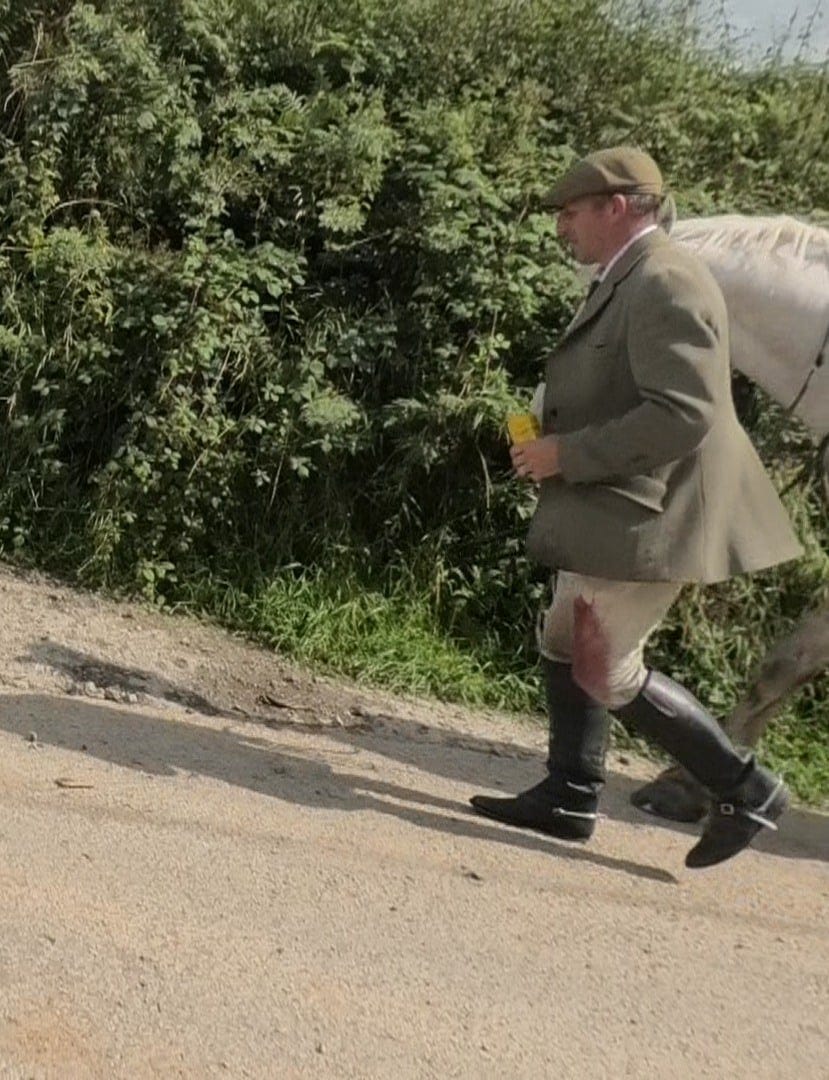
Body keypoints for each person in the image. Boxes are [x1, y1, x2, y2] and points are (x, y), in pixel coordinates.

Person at [470, 147, 803, 868]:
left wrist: (568, 454)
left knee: (604, 664)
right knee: (565, 637)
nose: (562, 227)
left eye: (571, 212)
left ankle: (746, 789)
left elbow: (682, 414)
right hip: (620, 499)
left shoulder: (664, 280)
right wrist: (553, 437)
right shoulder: (625, 276)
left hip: (656, 507)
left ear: (615, 206)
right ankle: (568, 794)